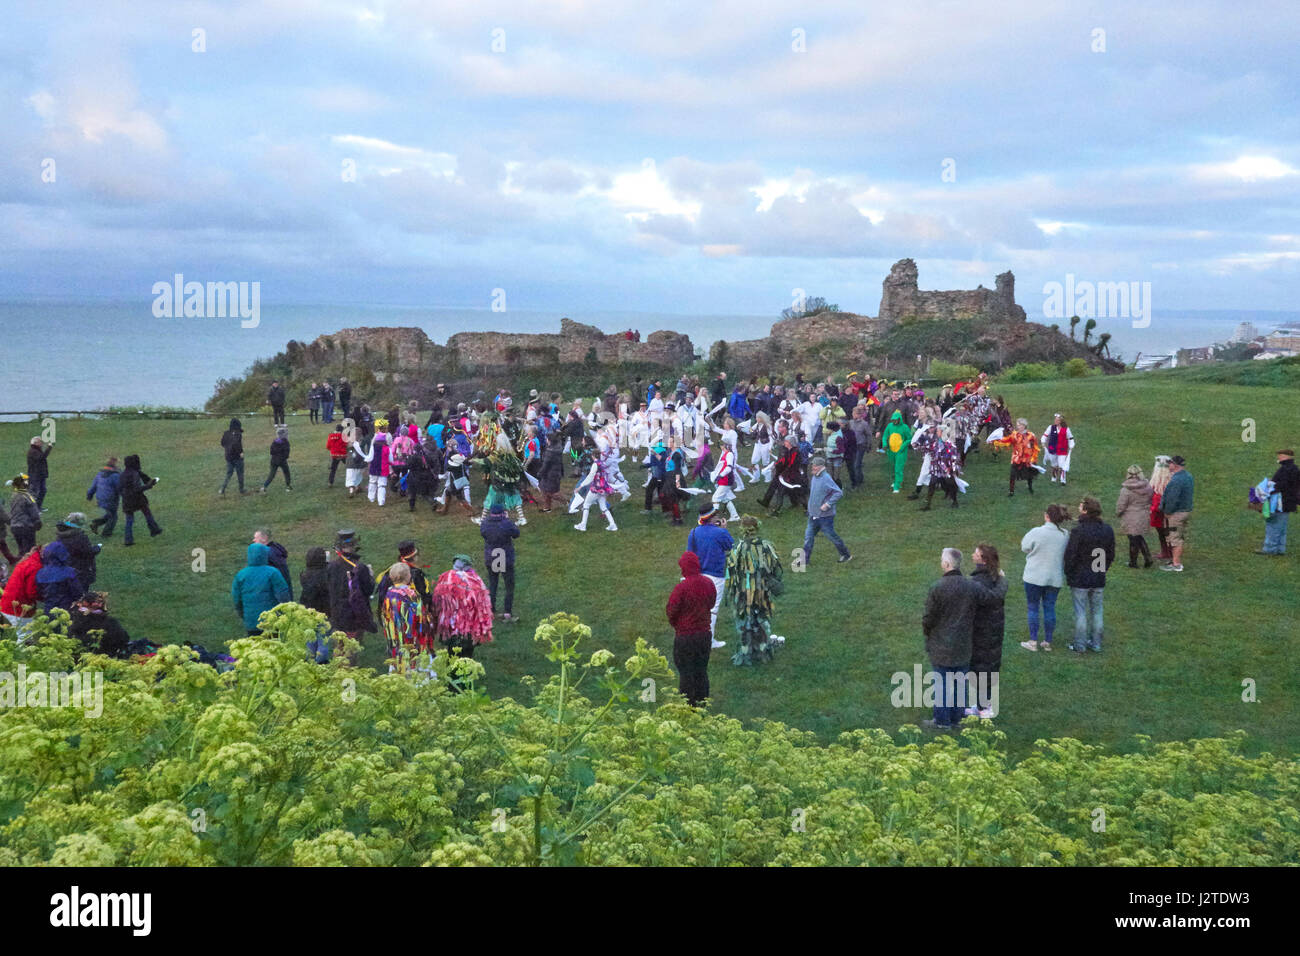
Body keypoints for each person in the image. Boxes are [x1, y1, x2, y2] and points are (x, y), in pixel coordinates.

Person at [920, 548, 987, 730]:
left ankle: (942, 721)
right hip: (964, 644)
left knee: (941, 684)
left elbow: (928, 618)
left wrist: (929, 633)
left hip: (941, 645)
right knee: (960, 683)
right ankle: (957, 719)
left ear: (947, 564)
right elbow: (987, 604)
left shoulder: (938, 588)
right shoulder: (971, 586)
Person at [723, 516, 784, 666]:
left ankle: (745, 653)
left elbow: (730, 572)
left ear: (743, 530)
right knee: (761, 618)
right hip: (762, 593)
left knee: (745, 622)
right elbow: (775, 569)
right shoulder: (766, 546)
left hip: (743, 593)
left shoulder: (738, 549)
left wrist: (732, 589)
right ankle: (762, 651)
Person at [1063, 496, 1115, 653]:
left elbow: (1070, 555)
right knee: (1097, 611)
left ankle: (1080, 645)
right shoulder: (1107, 529)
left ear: (1085, 510)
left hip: (1080, 578)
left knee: (1080, 613)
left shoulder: (1079, 531)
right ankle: (1096, 643)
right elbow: (1110, 554)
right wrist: (1102, 569)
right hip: (1098, 576)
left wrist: (1069, 573)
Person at [665, 550, 716, 707]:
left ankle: (689, 707)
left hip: (685, 637)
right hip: (704, 635)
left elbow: (671, 611)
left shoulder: (681, 588)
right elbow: (712, 603)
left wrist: (678, 625)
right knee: (701, 670)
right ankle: (702, 704)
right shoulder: (708, 583)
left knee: (686, 673)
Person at [1018, 504, 1071, 651]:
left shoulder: (1037, 532)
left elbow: (1024, 547)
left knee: (1033, 607)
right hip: (1054, 577)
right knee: (1049, 608)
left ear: (1047, 516)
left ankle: (1033, 641)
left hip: (1034, 576)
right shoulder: (1064, 534)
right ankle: (1047, 641)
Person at [431, 555, 495, 678]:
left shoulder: (445, 579)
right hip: (469, 628)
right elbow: (482, 605)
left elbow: (437, 602)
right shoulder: (475, 580)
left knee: (452, 654)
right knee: (466, 655)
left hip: (450, 626)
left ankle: (451, 681)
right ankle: (464, 682)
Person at [967, 544, 1007, 719]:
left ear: (983, 559)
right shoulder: (996, 578)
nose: (972, 555)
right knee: (987, 668)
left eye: (975, 553)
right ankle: (983, 705)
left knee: (981, 669)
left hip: (981, 632)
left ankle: (985, 707)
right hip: (994, 631)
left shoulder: (977, 582)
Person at [687, 503, 734, 648]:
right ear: (712, 518)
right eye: (717, 515)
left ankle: (694, 636)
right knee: (712, 609)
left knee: (698, 607)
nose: (719, 517)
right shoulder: (720, 532)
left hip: (697, 575)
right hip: (716, 574)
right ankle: (709, 640)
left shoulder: (693, 532)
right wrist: (724, 530)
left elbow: (689, 554)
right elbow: (730, 546)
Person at [377, 562, 435, 677]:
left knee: (399, 668)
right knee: (416, 672)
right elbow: (420, 620)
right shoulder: (412, 594)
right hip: (413, 641)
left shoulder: (389, 593)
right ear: (408, 577)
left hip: (396, 639)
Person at [326, 529, 377, 656]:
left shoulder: (331, 566)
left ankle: (338, 672)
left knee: (340, 647)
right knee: (350, 652)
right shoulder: (360, 567)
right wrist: (371, 577)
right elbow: (368, 590)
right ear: (354, 546)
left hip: (336, 613)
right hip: (354, 614)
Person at [232, 541, 291, 635]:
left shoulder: (241, 575)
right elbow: (283, 595)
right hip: (272, 621)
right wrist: (286, 613)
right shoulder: (273, 572)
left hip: (251, 622)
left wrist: (244, 615)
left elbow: (237, 600)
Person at [803, 456, 852, 565]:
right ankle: (804, 560)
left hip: (825, 517)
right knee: (808, 537)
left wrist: (827, 504)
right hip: (813, 515)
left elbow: (838, 493)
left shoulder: (826, 478)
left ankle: (846, 555)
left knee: (832, 536)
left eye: (814, 465)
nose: (812, 467)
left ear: (820, 467)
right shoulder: (815, 477)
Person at [480, 502, 520, 621]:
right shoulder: (506, 523)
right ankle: (507, 612)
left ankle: (491, 610)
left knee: (493, 584)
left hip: (491, 556)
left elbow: (483, 534)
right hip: (504, 556)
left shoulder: (485, 524)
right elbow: (516, 534)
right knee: (509, 585)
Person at [67, 591, 131, 659]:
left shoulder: (73, 619)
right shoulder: (109, 622)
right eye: (98, 602)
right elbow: (124, 638)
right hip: (106, 657)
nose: (100, 605)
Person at [1259, 449, 1298, 555]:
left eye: (1280, 455)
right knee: (1281, 527)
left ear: (1286, 456)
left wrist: (1269, 487)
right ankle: (1280, 549)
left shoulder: (1285, 470)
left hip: (1280, 502)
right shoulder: (1294, 469)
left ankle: (1270, 549)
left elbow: (1282, 485)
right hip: (1289, 503)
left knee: (1273, 525)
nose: (1278, 457)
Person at [1115, 465, 1155, 568]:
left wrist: (1118, 513)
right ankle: (1148, 558)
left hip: (1131, 517)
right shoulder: (1148, 487)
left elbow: (1121, 505)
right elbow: (1151, 499)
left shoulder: (1126, 490)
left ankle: (1133, 562)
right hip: (1144, 515)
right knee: (1139, 537)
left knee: (1133, 539)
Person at [1160, 455, 1194, 572]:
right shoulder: (1188, 476)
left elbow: (1172, 499)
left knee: (1175, 538)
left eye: (1170, 463)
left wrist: (1167, 512)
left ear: (1175, 465)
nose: (1169, 465)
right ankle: (1174, 560)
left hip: (1176, 513)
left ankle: (1176, 564)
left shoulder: (1176, 480)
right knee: (1179, 536)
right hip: (1185, 511)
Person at [992, 418, 1042, 496]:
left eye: (1019, 425)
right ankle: (1011, 491)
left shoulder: (1031, 436)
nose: (1018, 427)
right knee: (1012, 474)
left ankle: (1030, 487)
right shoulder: (1014, 435)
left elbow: (1035, 447)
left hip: (1027, 459)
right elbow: (1007, 440)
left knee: (1029, 475)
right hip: (1016, 458)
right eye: (1017, 425)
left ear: (1024, 426)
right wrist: (996, 441)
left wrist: (1033, 458)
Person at [120, 454, 161, 546]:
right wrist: (149, 486)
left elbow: (120, 487)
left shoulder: (122, 474)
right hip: (137, 499)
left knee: (129, 520)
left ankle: (128, 540)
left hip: (127, 499)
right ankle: (154, 530)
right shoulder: (135, 474)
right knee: (147, 513)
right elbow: (137, 488)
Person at [36, 540, 84, 613]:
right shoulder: (70, 572)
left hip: (48, 609)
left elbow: (39, 591)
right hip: (67, 609)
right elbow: (78, 592)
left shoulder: (40, 573)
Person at [56, 513, 100, 591]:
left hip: (67, 565)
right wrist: (97, 548)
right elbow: (88, 552)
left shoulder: (61, 535)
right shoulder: (80, 538)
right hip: (81, 568)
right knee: (81, 591)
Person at [1, 545, 42, 630]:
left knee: (23, 634)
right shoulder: (35, 567)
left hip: (8, 604)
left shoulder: (27, 562)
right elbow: (31, 592)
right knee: (25, 636)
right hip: (18, 607)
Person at [252, 529, 292, 599]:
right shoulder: (276, 551)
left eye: (255, 538)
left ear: (264, 539)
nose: (253, 540)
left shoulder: (266, 554)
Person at [86, 457, 121, 536]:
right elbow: (119, 487)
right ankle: (106, 533)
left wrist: (89, 495)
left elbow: (93, 487)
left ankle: (96, 523)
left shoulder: (99, 474)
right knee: (113, 517)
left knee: (110, 514)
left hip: (100, 498)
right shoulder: (115, 476)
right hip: (111, 499)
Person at [7, 474, 41, 554]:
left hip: (15, 527)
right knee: (30, 550)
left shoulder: (13, 496)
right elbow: (34, 512)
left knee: (22, 550)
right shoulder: (28, 497)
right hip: (26, 527)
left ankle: (21, 564)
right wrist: (37, 522)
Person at [880, 410, 912, 493]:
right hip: (891, 451)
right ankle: (895, 481)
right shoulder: (890, 426)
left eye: (895, 420)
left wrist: (902, 447)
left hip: (900, 452)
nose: (894, 421)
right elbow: (885, 436)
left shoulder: (905, 427)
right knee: (892, 467)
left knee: (898, 468)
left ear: (899, 419)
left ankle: (897, 486)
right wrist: (884, 444)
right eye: (893, 420)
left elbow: (909, 439)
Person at [1149, 455, 1173, 561]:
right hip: (1169, 510)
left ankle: (1165, 551)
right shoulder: (1172, 480)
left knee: (1162, 532)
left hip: (1158, 511)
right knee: (1169, 531)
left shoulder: (1155, 482)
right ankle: (1170, 550)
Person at [1041, 413, 1075, 484]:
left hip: (1062, 449)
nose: (1055, 421)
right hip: (1052, 449)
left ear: (1061, 421)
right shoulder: (1051, 427)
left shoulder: (1066, 429)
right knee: (1054, 464)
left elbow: (1070, 438)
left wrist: (1071, 445)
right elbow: (1045, 435)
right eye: (1055, 419)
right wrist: (1043, 441)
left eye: (1057, 420)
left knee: (1061, 465)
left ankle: (1063, 479)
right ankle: (1054, 477)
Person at [219, 418, 246, 495]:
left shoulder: (226, 433)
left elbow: (222, 443)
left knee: (229, 473)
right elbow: (237, 444)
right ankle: (241, 489)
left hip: (228, 457)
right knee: (240, 473)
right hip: (237, 457)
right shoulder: (238, 434)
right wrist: (240, 452)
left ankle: (222, 489)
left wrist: (228, 448)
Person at [26, 437, 54, 512]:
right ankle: (33, 509)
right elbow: (42, 458)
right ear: (35, 443)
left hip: (40, 475)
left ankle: (38, 507)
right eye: (40, 442)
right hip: (35, 476)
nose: (41, 443)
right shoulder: (32, 451)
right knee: (35, 492)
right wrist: (49, 448)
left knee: (43, 490)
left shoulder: (37, 450)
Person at [261, 426, 292, 492]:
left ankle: (264, 486)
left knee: (271, 475)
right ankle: (288, 486)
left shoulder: (275, 442)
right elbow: (286, 454)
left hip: (274, 460)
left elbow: (271, 452)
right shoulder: (286, 443)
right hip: (282, 461)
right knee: (286, 473)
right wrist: (283, 457)